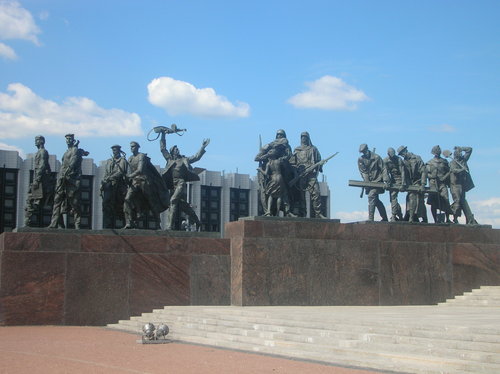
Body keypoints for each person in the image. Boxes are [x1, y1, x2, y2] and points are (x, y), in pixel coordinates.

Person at [160, 131, 210, 230]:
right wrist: (163, 134)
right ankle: (197, 221)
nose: (177, 150)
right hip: (173, 185)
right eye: (175, 149)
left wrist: (202, 147)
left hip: (181, 183)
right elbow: (162, 149)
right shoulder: (169, 160)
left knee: (173, 201)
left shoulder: (184, 159)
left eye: (178, 149)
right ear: (172, 152)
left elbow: (196, 157)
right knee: (183, 206)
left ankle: (170, 226)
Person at [123, 141, 169, 229]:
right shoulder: (130, 158)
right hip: (135, 182)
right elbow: (130, 172)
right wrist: (127, 178)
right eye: (131, 147)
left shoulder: (141, 156)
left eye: (133, 146)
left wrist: (129, 176)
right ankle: (129, 222)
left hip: (144, 181)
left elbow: (140, 170)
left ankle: (157, 223)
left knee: (152, 202)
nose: (131, 148)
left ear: (137, 147)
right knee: (127, 199)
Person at [49, 134, 89, 229]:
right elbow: (64, 165)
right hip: (62, 179)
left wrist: (68, 172)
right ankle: (54, 223)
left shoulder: (74, 150)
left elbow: (73, 163)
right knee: (57, 201)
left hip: (72, 181)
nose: (68, 140)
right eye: (67, 139)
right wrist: (61, 176)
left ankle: (77, 224)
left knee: (74, 203)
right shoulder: (66, 152)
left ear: (73, 140)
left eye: (70, 139)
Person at [255, 129, 293, 215]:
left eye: (281, 135)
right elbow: (257, 158)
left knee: (284, 193)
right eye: (278, 135)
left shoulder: (285, 145)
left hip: (282, 173)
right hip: (269, 175)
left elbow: (289, 156)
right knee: (267, 194)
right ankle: (268, 211)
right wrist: (266, 154)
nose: (280, 137)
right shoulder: (269, 147)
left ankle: (287, 211)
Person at [288, 132, 326, 218]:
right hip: (301, 175)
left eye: (305, 137)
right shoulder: (297, 150)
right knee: (301, 196)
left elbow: (319, 160)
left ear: (308, 138)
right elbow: (292, 163)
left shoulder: (313, 149)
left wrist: (320, 164)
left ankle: (318, 213)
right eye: (302, 137)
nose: (303, 139)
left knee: (316, 193)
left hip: (311, 174)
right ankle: (302, 213)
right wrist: (296, 173)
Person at [24, 135, 54, 226]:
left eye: (37, 140)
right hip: (41, 180)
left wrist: (37, 180)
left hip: (40, 181)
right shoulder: (40, 152)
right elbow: (47, 166)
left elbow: (42, 165)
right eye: (35, 140)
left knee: (30, 200)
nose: (35, 142)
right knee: (43, 202)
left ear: (42, 141)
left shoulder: (43, 152)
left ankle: (27, 222)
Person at [357, 144, 388, 221]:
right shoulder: (361, 159)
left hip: (378, 181)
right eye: (362, 152)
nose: (364, 153)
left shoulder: (376, 157)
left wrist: (386, 180)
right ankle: (385, 218)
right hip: (369, 182)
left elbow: (384, 168)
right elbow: (363, 172)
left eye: (365, 151)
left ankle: (371, 218)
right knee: (376, 201)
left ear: (367, 149)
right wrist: (366, 182)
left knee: (371, 196)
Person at [397, 145, 427, 223]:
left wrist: (423, 184)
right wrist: (403, 184)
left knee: (413, 197)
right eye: (401, 154)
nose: (402, 155)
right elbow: (403, 172)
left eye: (402, 153)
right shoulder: (404, 161)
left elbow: (423, 171)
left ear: (406, 151)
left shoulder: (417, 158)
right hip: (409, 184)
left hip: (418, 182)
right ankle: (410, 216)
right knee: (410, 198)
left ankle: (412, 217)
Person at [101, 145, 128, 228]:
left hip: (119, 185)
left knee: (121, 205)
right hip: (109, 186)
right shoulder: (109, 161)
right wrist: (103, 181)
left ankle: (125, 223)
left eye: (115, 150)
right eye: (113, 150)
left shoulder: (122, 160)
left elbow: (121, 172)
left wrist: (110, 178)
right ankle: (107, 224)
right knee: (106, 204)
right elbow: (105, 172)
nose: (114, 152)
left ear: (119, 151)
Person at [449, 146, 477, 224]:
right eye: (459, 153)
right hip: (455, 185)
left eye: (461, 153)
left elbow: (469, 149)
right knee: (457, 202)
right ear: (456, 155)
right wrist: (462, 169)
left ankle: (464, 218)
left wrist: (460, 148)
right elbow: (454, 170)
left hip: (462, 185)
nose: (461, 154)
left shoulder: (463, 160)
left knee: (462, 202)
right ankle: (449, 214)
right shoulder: (452, 162)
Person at [426, 145, 452, 223]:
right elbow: (425, 174)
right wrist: (432, 176)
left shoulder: (444, 161)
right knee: (433, 203)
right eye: (436, 151)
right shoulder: (429, 163)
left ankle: (447, 219)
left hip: (442, 184)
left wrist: (444, 177)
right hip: (433, 184)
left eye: (438, 151)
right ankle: (435, 220)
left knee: (446, 200)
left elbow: (449, 171)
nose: (437, 152)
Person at [383, 147, 406, 222]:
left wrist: (403, 183)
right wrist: (387, 182)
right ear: (388, 154)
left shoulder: (399, 159)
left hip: (399, 179)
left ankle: (393, 216)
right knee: (392, 199)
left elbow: (402, 171)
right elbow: (385, 172)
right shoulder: (385, 160)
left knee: (393, 196)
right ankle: (400, 216)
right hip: (392, 180)